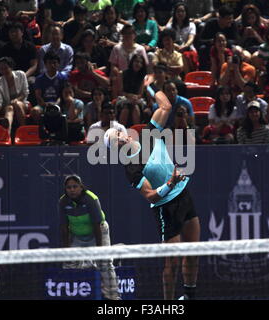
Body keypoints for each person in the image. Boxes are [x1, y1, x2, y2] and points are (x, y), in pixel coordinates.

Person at [104, 85, 200, 300]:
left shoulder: (149, 134)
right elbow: (149, 195)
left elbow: (166, 105)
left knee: (194, 253)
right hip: (165, 208)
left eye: (119, 133)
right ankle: (168, 303)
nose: (120, 138)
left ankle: (190, 296)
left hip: (184, 195)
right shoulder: (131, 167)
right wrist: (170, 183)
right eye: (115, 141)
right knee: (172, 262)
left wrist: (148, 84)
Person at [59, 174, 121, 300]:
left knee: (104, 263)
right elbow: (64, 227)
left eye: (75, 186)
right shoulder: (63, 202)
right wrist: (66, 251)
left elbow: (96, 224)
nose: (72, 189)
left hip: (98, 231)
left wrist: (99, 250)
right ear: (65, 189)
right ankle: (72, 295)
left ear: (81, 187)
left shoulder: (91, 199)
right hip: (76, 235)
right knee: (69, 264)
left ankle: (112, 297)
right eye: (69, 187)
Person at [0, 56, 29, 133]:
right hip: (8, 106)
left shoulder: (21, 74)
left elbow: (25, 92)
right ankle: (7, 133)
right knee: (9, 109)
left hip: (23, 103)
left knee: (17, 104)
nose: (3, 71)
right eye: (1, 69)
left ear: (11, 67)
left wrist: (17, 99)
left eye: (6, 68)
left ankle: (24, 131)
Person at [165, 2, 199, 73]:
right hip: (173, 48)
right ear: (174, 13)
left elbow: (191, 39)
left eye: (182, 11)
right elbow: (167, 40)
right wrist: (174, 45)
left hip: (188, 49)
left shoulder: (191, 25)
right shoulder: (169, 27)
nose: (180, 13)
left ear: (186, 13)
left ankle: (188, 76)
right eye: (178, 11)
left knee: (185, 55)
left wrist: (184, 46)